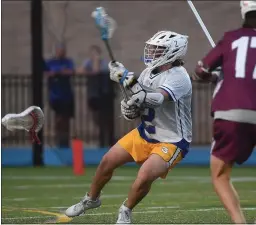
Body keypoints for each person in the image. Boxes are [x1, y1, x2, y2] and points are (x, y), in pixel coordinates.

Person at [65, 31, 192, 224]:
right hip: (145, 133)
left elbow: (156, 99)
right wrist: (129, 107)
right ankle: (91, 199)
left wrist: (126, 77)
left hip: (171, 140)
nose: (153, 52)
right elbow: (139, 98)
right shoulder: (149, 72)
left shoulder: (179, 77)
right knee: (107, 161)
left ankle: (126, 210)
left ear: (173, 52)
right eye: (153, 48)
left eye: (159, 50)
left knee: (144, 176)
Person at [192, 1, 256, 224]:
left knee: (220, 173)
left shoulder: (231, 37)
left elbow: (201, 71)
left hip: (228, 111)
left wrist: (215, 75)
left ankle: (239, 222)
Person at [78, 45, 115, 147]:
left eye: (96, 53)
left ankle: (105, 142)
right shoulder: (87, 62)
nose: (94, 56)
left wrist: (96, 62)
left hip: (104, 96)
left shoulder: (104, 64)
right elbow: (80, 71)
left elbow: (97, 71)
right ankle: (100, 139)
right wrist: (90, 69)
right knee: (96, 119)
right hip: (94, 95)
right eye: (92, 53)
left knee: (105, 120)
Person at [45, 43, 75, 148]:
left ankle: (65, 141)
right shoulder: (50, 62)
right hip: (55, 95)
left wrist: (59, 73)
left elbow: (70, 71)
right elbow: (46, 73)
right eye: (59, 50)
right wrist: (56, 73)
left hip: (66, 95)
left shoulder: (68, 61)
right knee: (58, 119)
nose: (60, 52)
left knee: (66, 119)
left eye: (62, 50)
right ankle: (58, 140)